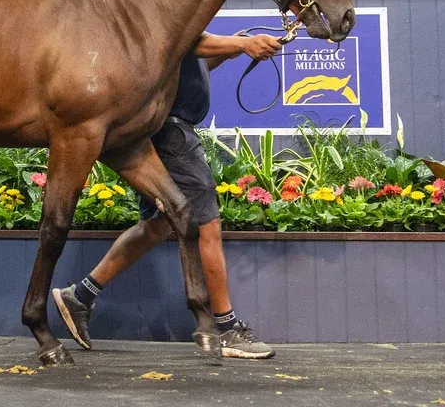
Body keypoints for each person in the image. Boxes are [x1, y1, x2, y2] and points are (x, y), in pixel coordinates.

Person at [52, 30, 283, 359]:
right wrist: (243, 44)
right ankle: (227, 328)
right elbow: (190, 42)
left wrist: (231, 51)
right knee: (207, 226)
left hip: (159, 133)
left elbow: (188, 62)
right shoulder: (181, 16)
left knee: (157, 226)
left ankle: (80, 296)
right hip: (173, 134)